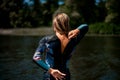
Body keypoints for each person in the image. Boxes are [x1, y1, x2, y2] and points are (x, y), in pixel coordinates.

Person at [33, 12, 88, 80]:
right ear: (67, 24)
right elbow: (85, 26)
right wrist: (77, 30)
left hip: (50, 76)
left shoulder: (47, 40)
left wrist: (51, 70)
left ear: (55, 25)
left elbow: (36, 58)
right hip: (65, 75)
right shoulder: (74, 40)